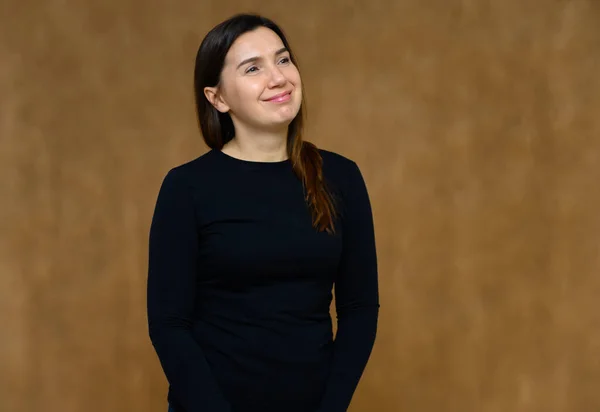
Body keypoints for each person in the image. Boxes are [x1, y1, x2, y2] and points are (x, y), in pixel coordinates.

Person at [147, 13, 380, 412]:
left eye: (284, 59)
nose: (278, 77)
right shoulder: (186, 188)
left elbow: (359, 309)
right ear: (216, 97)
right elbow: (169, 326)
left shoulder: (341, 177)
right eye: (253, 68)